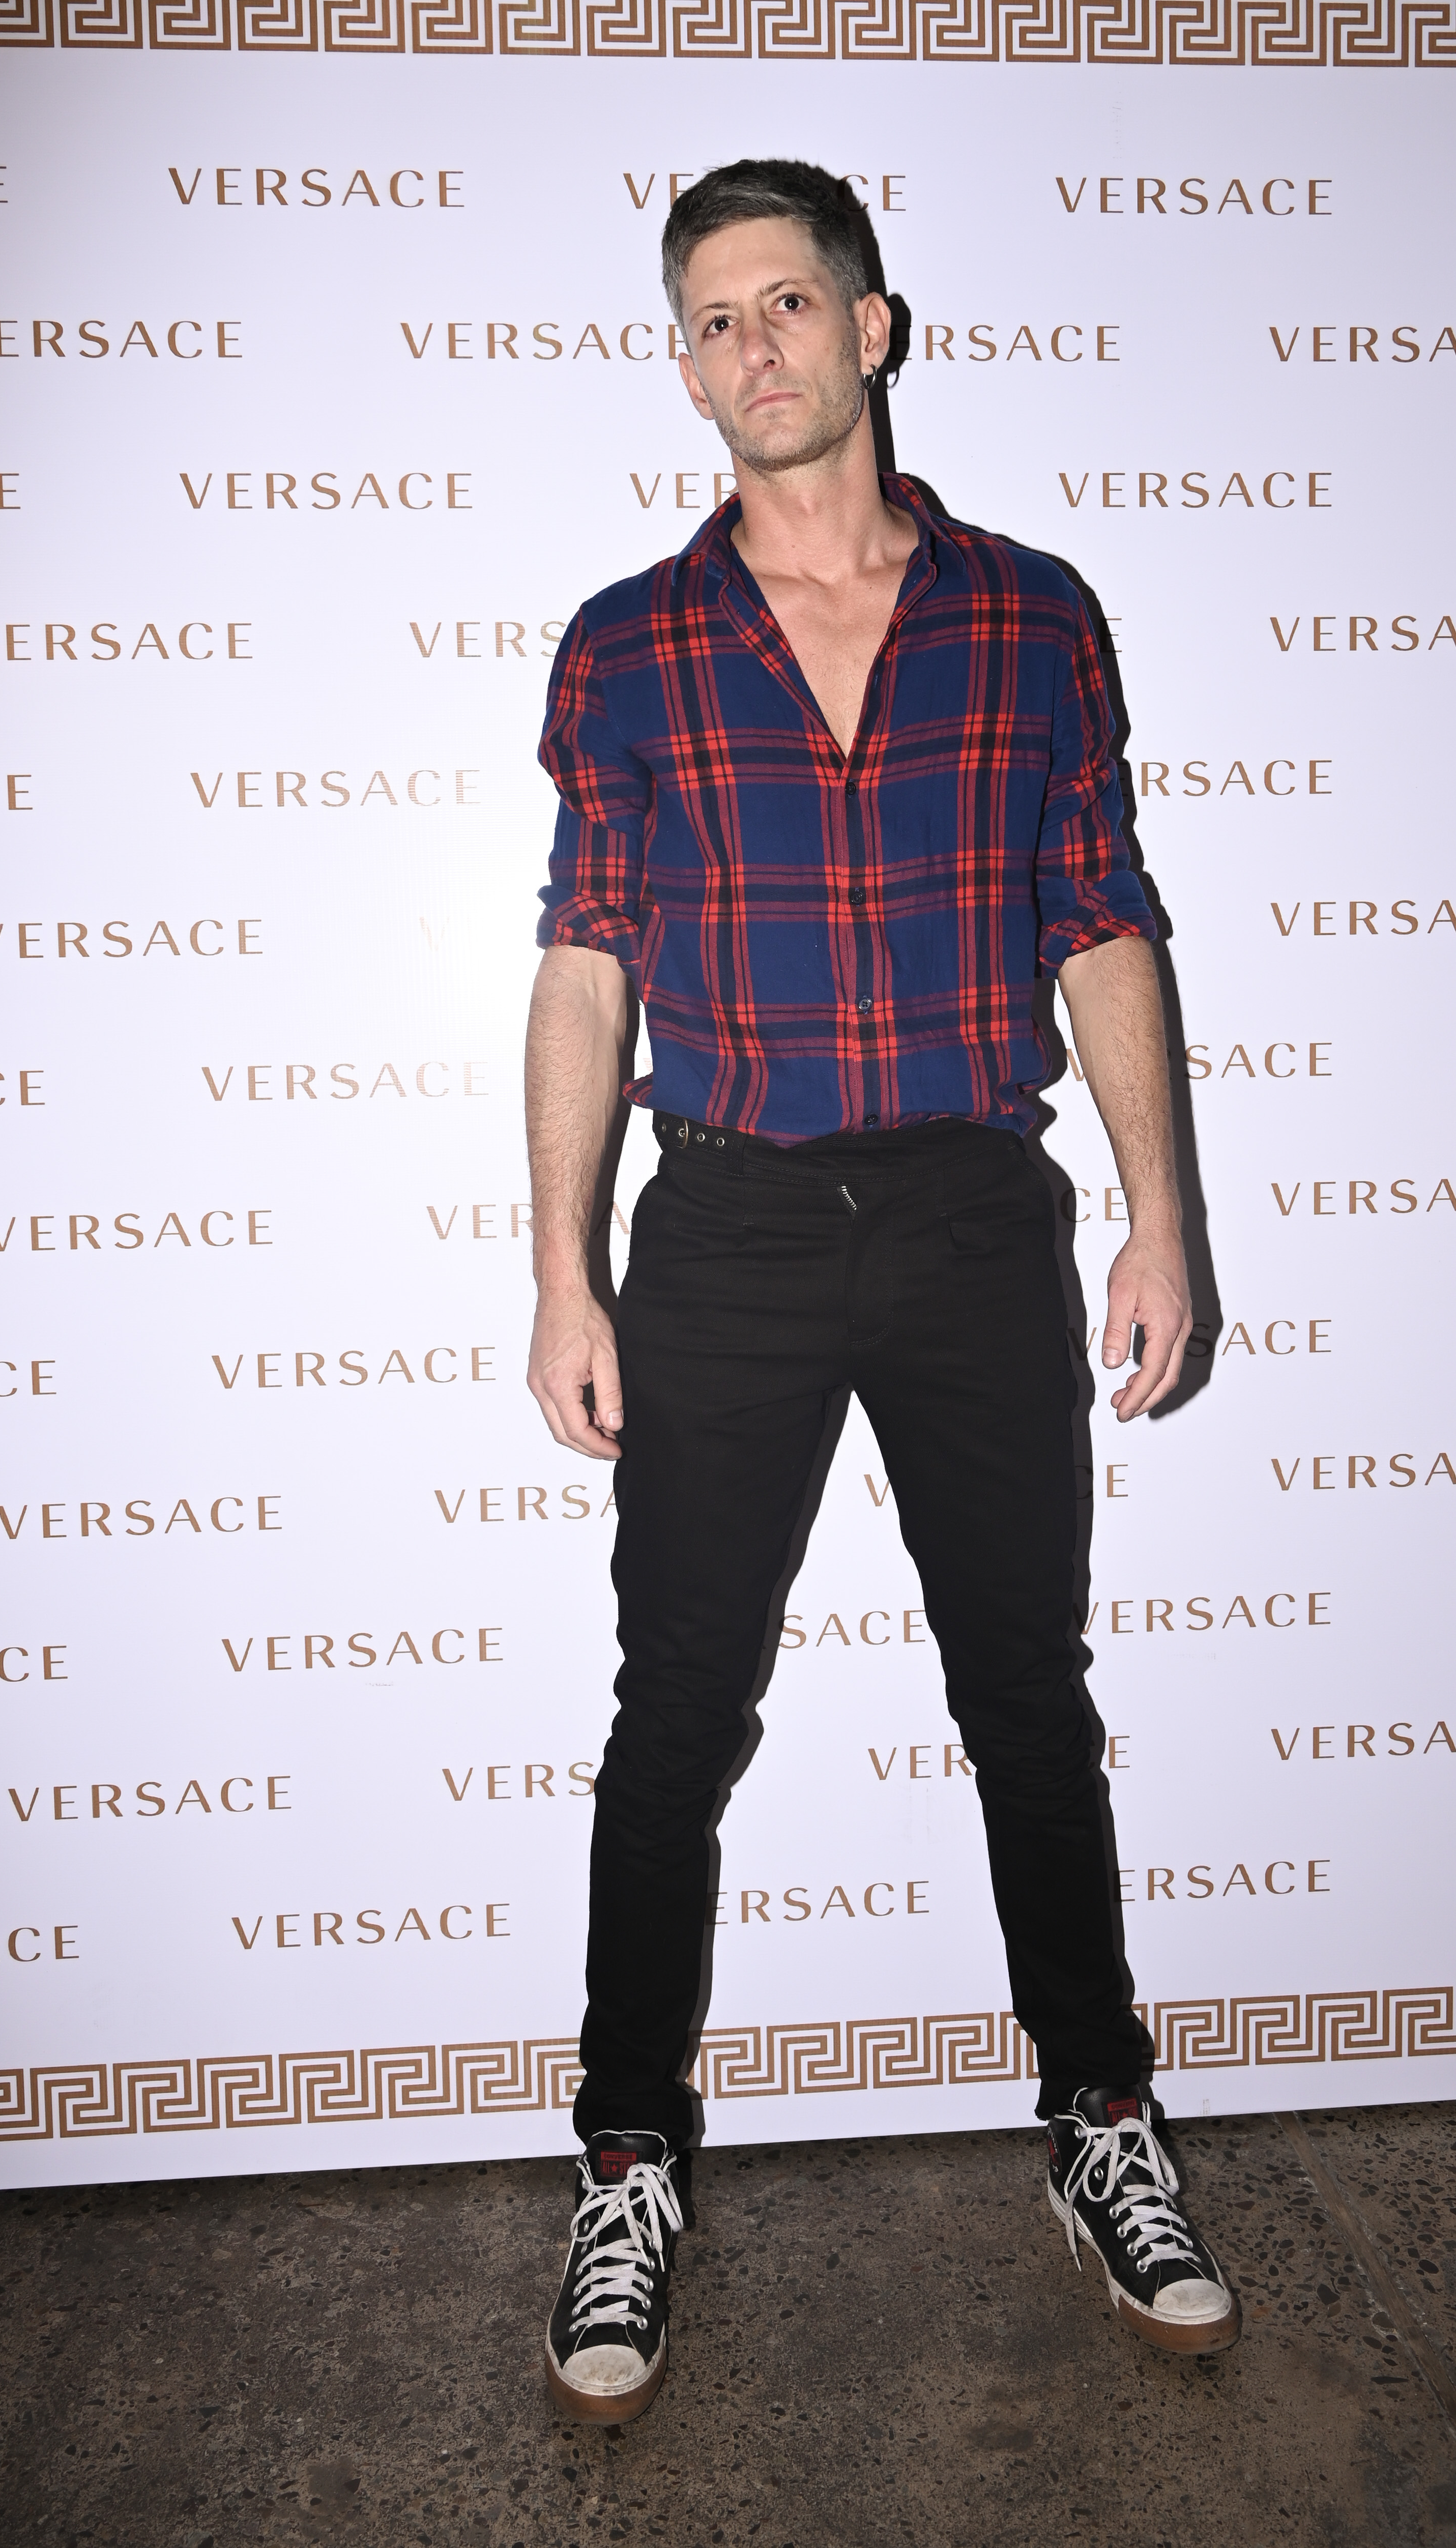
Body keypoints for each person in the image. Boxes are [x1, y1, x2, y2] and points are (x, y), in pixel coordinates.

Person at [525, 158, 1238, 2423]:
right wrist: (560, 1269)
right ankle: (627, 2154)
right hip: (725, 1230)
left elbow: (1100, 917)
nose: (753, 347)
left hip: (967, 1219)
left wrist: (1161, 1214)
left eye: (787, 304)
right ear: (686, 367)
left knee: (1026, 1694)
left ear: (872, 326)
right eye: (712, 318)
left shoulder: (1034, 617)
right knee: (675, 1711)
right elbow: (585, 966)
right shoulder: (627, 646)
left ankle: (1100, 2116)